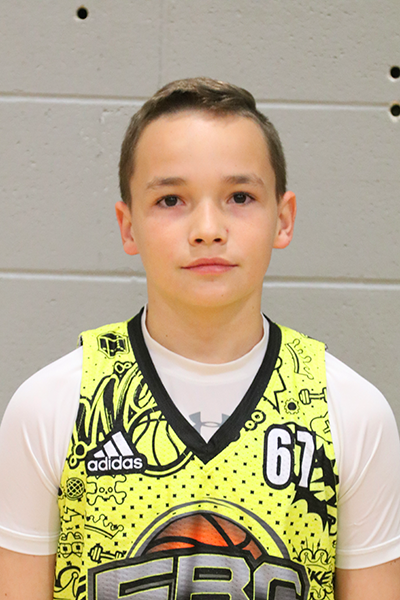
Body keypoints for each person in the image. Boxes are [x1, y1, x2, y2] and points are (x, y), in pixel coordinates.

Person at [0, 77, 400, 600]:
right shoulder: (51, 406)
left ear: (283, 219)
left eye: (240, 197)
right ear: (128, 226)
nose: (207, 228)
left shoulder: (353, 412)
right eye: (171, 199)